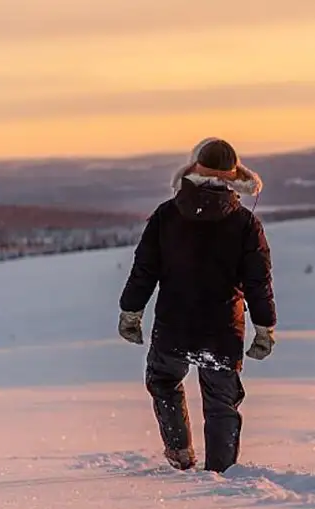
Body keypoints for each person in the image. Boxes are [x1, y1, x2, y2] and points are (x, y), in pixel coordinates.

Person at [117, 137, 277, 473]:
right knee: (221, 403)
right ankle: (221, 473)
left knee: (163, 381)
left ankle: (179, 454)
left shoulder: (166, 216)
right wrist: (265, 328)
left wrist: (131, 312)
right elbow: (258, 283)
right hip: (223, 332)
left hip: (173, 327)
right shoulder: (246, 224)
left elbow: (144, 270)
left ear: (192, 171)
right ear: (235, 178)